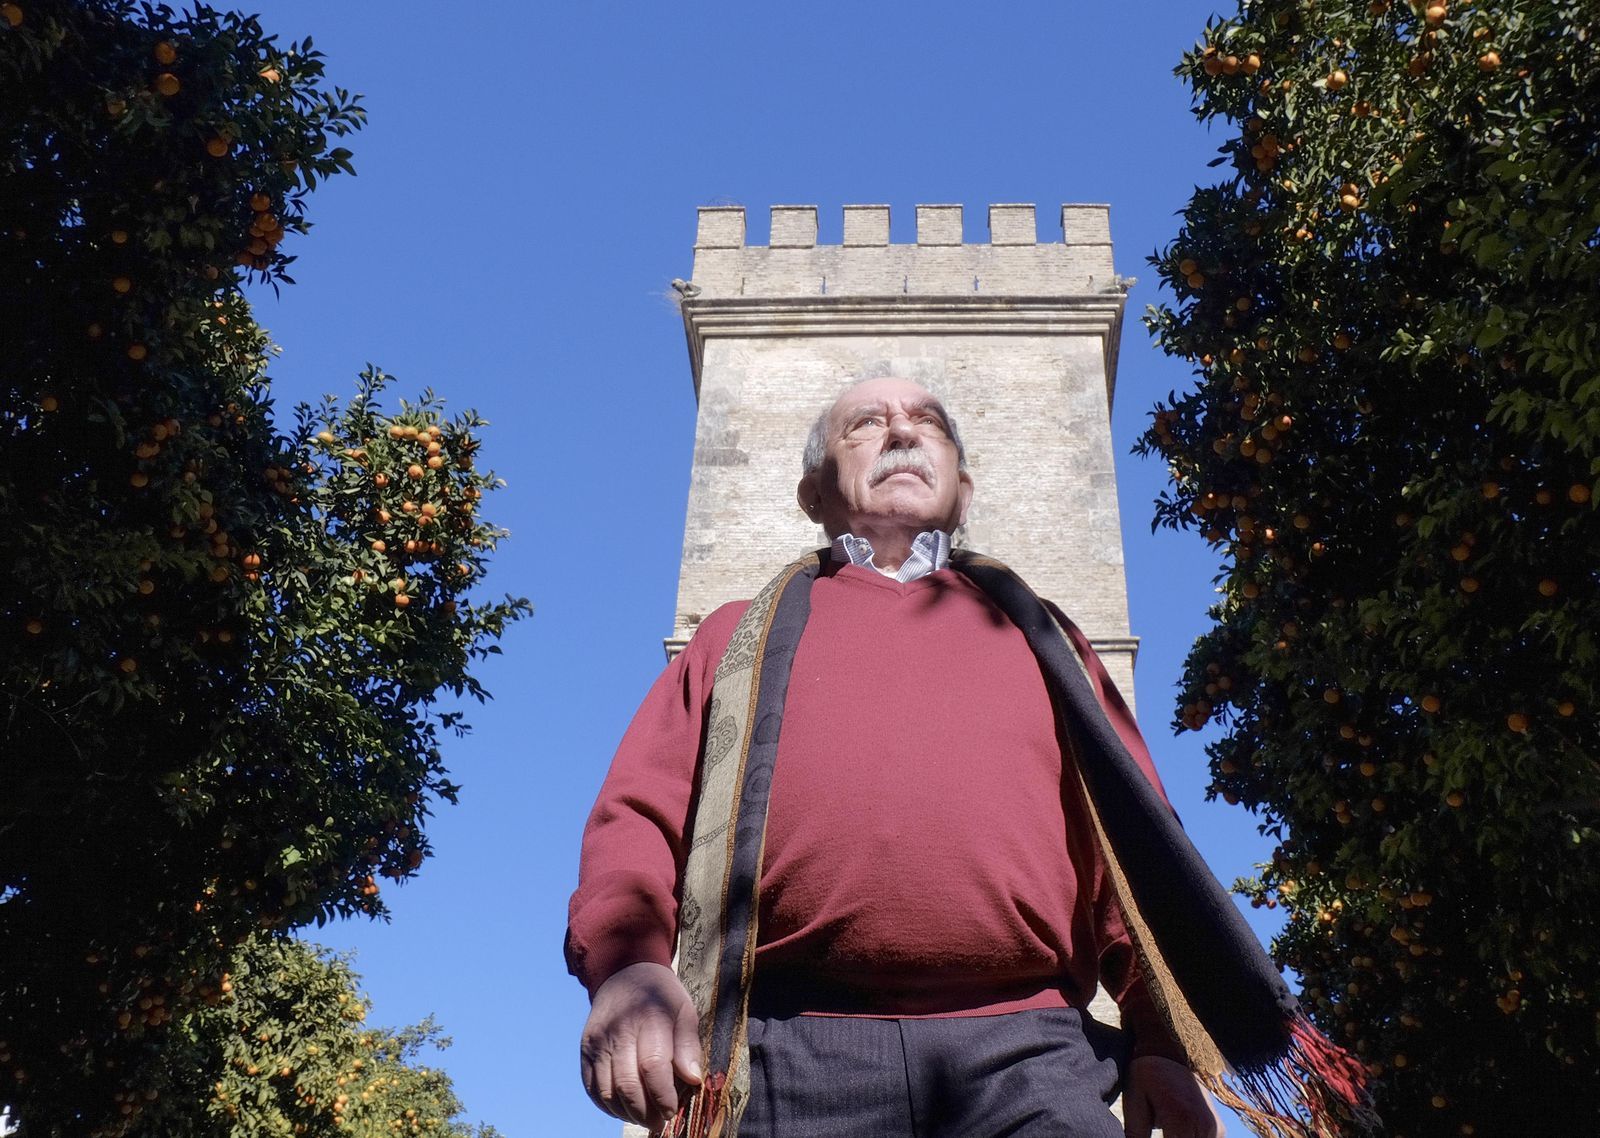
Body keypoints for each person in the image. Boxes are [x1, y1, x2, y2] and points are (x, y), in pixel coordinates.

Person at [566, 377, 1222, 1138]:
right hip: (782, 1059)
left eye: (927, 423)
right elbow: (637, 815)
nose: (902, 433)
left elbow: (1134, 851)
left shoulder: (1052, 643)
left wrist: (1162, 1039)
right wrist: (628, 970)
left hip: (1034, 1058)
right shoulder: (730, 637)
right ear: (814, 492)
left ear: (964, 489)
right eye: (866, 425)